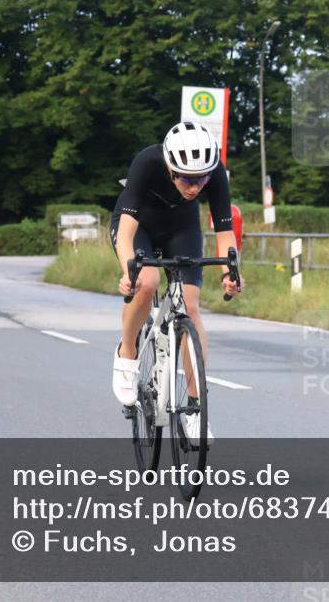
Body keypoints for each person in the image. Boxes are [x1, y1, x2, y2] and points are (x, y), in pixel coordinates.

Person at [109, 121, 240, 440]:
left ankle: (195, 408)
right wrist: (129, 272)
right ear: (169, 167)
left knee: (191, 307)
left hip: (182, 229)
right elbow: (125, 232)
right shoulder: (147, 162)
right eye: (186, 178)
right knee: (148, 282)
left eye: (201, 179)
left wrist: (230, 272)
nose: (194, 187)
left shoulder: (216, 171)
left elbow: (225, 233)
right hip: (140, 226)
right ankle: (127, 354)